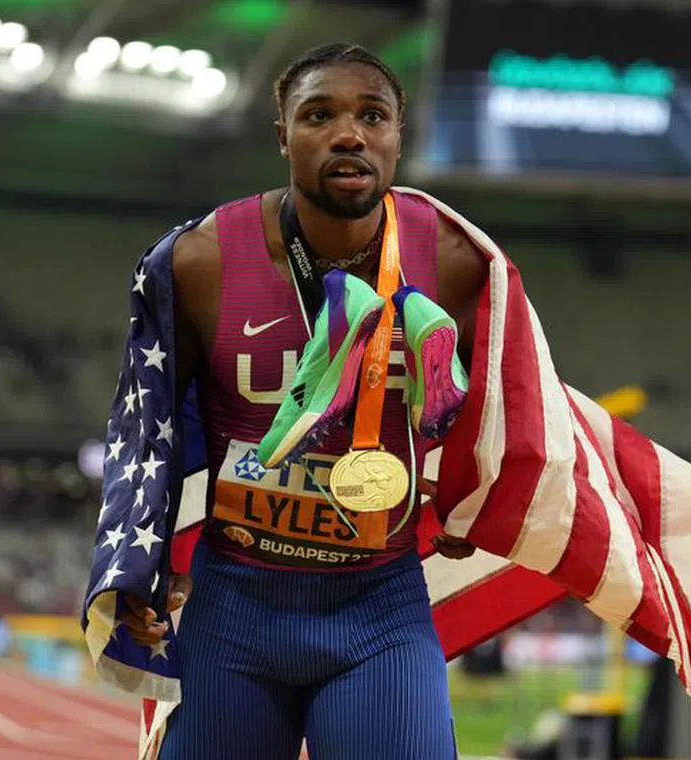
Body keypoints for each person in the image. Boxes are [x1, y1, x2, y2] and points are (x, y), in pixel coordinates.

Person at [116, 43, 482, 759]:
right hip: (233, 609)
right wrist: (147, 565)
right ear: (283, 133)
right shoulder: (199, 262)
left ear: (397, 136)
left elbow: (498, 408)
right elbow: (153, 428)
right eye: (319, 114)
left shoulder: (460, 264)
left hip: (380, 609)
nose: (349, 133)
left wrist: (471, 500)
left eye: (371, 115)